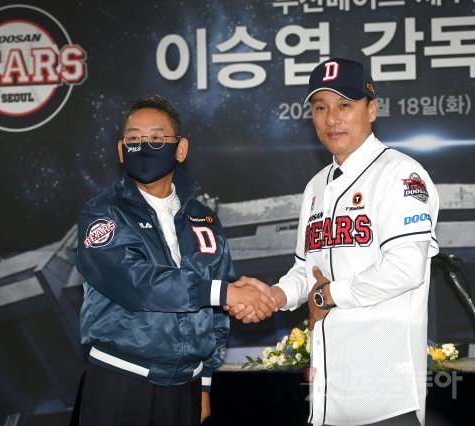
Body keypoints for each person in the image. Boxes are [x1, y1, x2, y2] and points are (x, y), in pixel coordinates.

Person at [229, 58, 439, 425]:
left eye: (345, 105)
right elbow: (306, 270)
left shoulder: (400, 174)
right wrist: (275, 295)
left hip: (386, 399)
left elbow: (406, 268)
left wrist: (328, 295)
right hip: (328, 397)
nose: (332, 119)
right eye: (321, 107)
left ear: (371, 110)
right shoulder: (316, 186)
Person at [72, 94, 278, 426]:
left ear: (180, 149)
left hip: (186, 386)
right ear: (121, 150)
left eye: (156, 138)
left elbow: (217, 309)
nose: (143, 147)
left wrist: (205, 380)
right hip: (120, 380)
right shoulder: (103, 213)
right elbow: (136, 283)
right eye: (134, 139)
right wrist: (226, 293)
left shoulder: (204, 218)